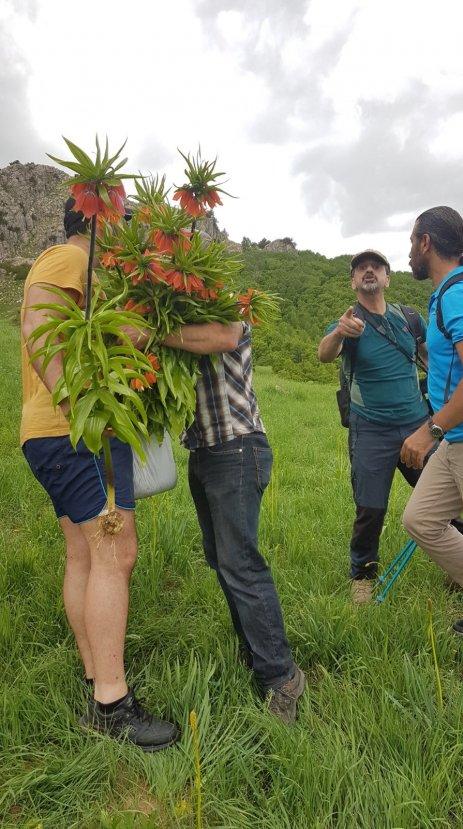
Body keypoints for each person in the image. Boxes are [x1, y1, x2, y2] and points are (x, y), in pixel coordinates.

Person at [20, 199, 178, 751]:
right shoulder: (66, 258)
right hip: (78, 430)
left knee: (86, 553)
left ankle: (95, 676)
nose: (127, 230)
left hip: (57, 430)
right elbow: (38, 321)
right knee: (116, 551)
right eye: (122, 219)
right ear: (95, 220)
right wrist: (81, 407)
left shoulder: (85, 274)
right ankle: (112, 704)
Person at [160, 320, 306, 724]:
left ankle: (282, 676)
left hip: (238, 448)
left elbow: (224, 337)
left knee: (241, 563)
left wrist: (150, 332)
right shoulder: (178, 317)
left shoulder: (228, 309)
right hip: (203, 452)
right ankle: (257, 652)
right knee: (223, 561)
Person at [318, 250, 429, 603]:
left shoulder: (409, 318)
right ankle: (363, 576)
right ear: (353, 281)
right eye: (361, 268)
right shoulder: (348, 321)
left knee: (442, 497)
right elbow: (324, 353)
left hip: (419, 427)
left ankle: (456, 562)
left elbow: (429, 358)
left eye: (376, 267)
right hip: (371, 430)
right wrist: (339, 332)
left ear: (387, 278)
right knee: (370, 507)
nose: (369, 271)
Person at [402, 206, 463, 634]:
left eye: (412, 241)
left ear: (427, 242)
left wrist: (431, 429)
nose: (408, 251)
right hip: (454, 438)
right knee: (420, 520)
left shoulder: (456, 294)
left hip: (454, 434)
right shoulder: (443, 295)